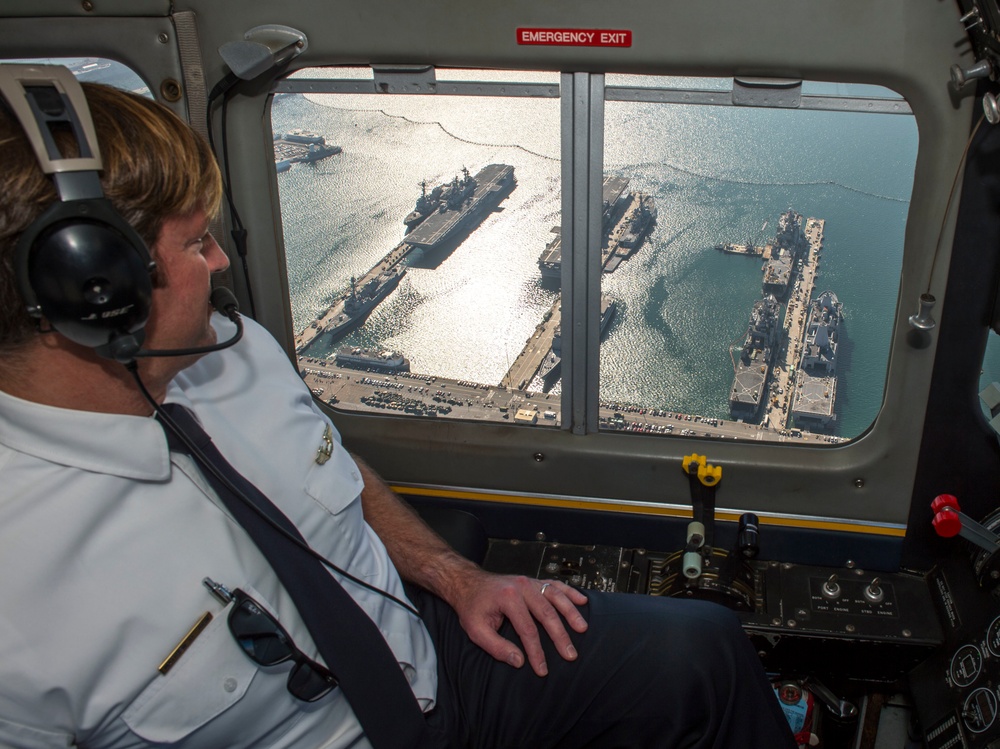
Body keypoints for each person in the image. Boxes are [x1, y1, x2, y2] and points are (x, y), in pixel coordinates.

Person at [0, 74, 797, 748]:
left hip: (426, 654)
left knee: (704, 648)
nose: (220, 260)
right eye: (197, 242)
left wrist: (457, 577)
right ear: (97, 291)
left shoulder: (235, 351)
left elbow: (338, 474)